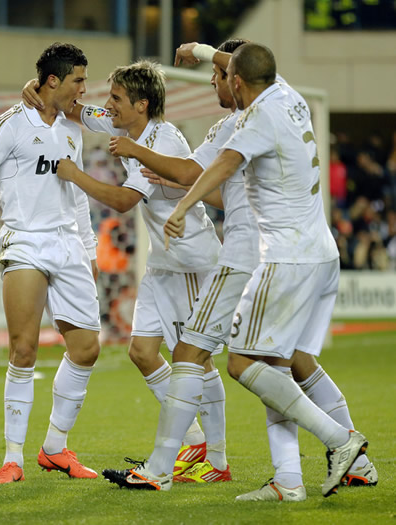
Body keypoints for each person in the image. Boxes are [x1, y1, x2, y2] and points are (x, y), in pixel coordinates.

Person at [101, 42, 370, 499]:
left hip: (258, 253)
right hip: (317, 249)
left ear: (237, 80)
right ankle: (300, 477)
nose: (213, 81)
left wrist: (183, 202)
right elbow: (246, 71)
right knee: (282, 365)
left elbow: (203, 168)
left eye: (220, 75)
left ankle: (340, 442)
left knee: (215, 358)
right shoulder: (290, 96)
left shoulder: (244, 122)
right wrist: (205, 51)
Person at [22, 60, 224, 479]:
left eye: (116, 98)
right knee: (142, 353)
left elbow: (123, 201)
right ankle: (193, 443)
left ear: (142, 104)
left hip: (191, 260)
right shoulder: (122, 125)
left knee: (196, 360)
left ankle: (215, 458)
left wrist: (74, 174)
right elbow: (78, 110)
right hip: (163, 264)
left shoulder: (163, 140)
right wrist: (38, 89)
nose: (107, 105)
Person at [0, 42, 101, 484]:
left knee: (87, 349)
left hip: (69, 245)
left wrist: (88, 251)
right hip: (25, 244)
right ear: (53, 80)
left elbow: (77, 199)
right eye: (78, 80)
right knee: (24, 349)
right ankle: (12, 457)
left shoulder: (76, 126)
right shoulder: (10, 125)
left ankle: (54, 447)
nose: (84, 89)